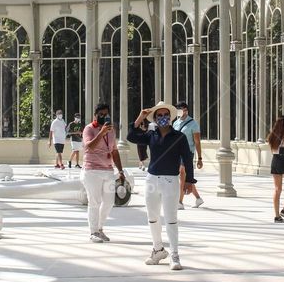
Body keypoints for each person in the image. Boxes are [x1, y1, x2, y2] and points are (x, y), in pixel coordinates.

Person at [127, 102, 194, 271]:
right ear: (155, 119)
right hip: (152, 180)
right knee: (152, 217)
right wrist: (140, 117)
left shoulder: (179, 137)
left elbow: (187, 159)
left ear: (170, 118)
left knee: (171, 219)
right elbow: (131, 136)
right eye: (159, 116)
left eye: (166, 115)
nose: (163, 118)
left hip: (171, 180)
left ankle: (175, 254)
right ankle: (157, 249)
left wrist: (189, 181)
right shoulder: (151, 135)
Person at [82, 103, 125, 243]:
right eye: (101, 114)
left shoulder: (111, 131)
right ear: (95, 115)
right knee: (94, 201)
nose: (104, 117)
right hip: (92, 170)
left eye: (106, 114)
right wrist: (101, 132)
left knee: (109, 202)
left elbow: (114, 151)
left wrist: (120, 170)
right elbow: (89, 146)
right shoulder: (89, 129)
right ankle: (93, 231)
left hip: (107, 170)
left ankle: (99, 228)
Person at [173, 102, 204, 209]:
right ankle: (198, 198)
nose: (180, 112)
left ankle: (180, 202)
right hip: (177, 153)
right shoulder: (175, 123)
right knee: (184, 177)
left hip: (187, 153)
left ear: (186, 110)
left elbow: (197, 142)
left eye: (181, 109)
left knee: (182, 174)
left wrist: (199, 158)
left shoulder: (193, 124)